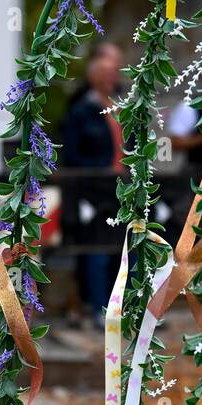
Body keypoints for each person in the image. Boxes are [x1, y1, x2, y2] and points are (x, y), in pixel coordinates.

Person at [62, 43, 125, 324]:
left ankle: (129, 307)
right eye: (106, 72)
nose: (112, 77)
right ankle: (99, 307)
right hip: (94, 191)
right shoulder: (81, 110)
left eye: (115, 71)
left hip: (123, 188)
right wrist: (102, 170)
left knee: (128, 250)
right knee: (97, 250)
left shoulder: (124, 105)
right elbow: (72, 155)